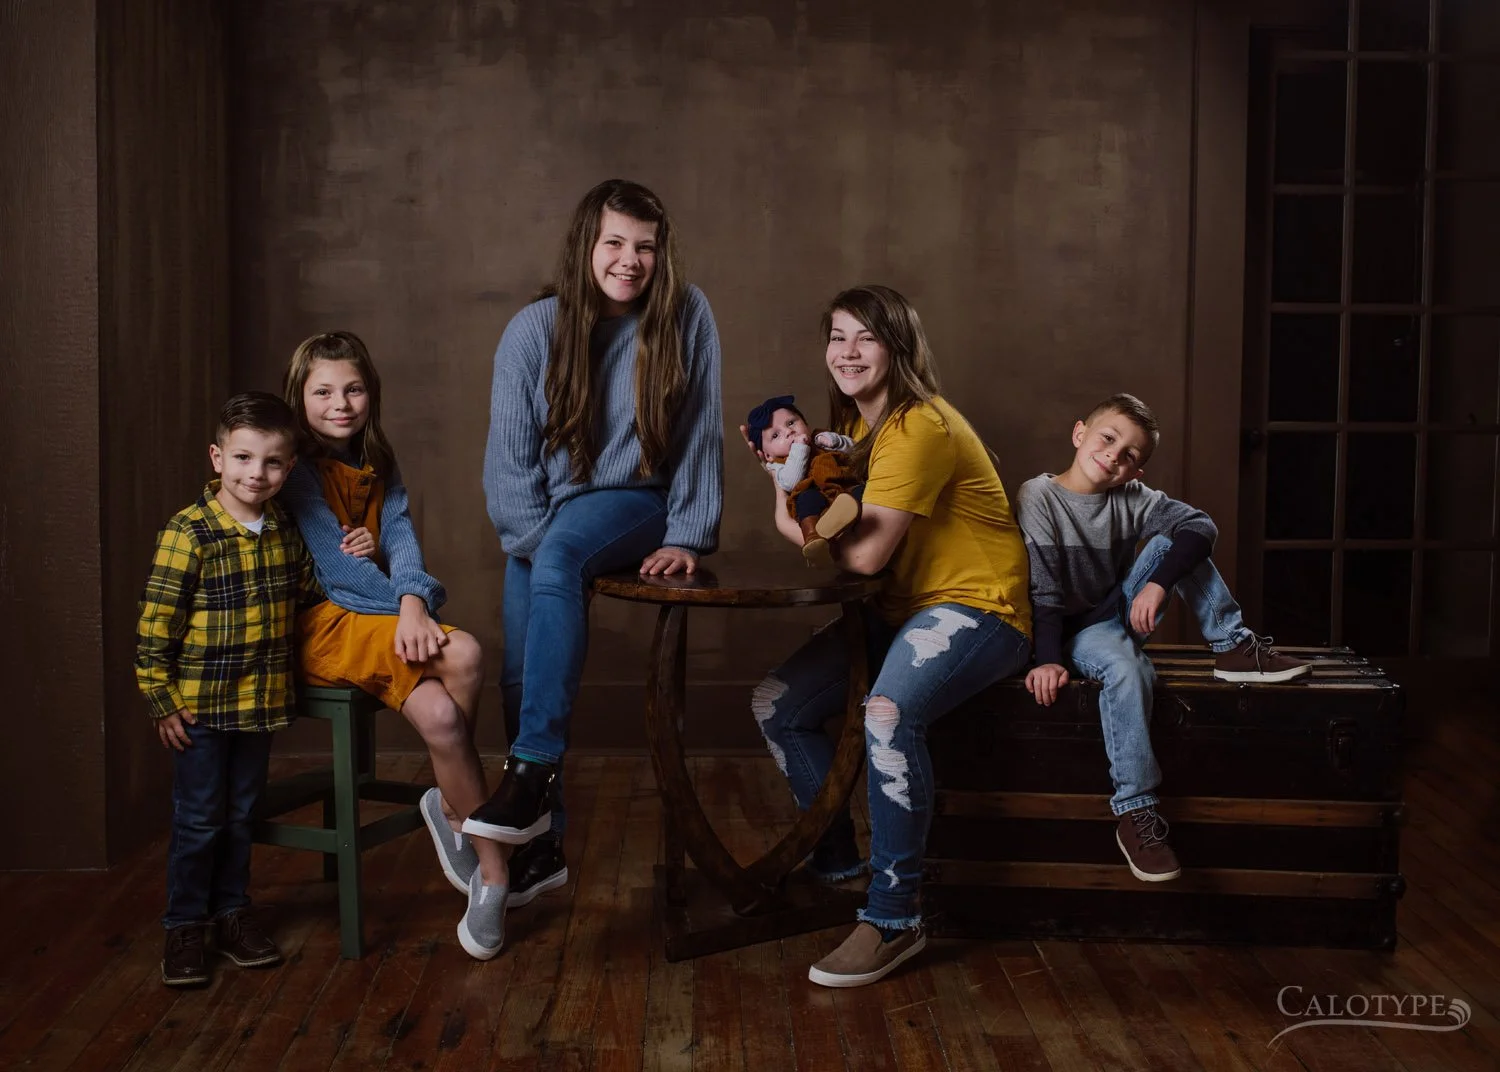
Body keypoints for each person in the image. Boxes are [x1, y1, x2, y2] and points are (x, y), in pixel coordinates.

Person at [743, 285, 1032, 988]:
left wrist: (788, 504)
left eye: (865, 337)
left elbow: (861, 556)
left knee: (887, 711)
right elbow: (828, 536)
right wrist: (791, 491)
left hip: (978, 607)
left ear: (898, 347)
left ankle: (895, 918)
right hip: (905, 608)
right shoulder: (861, 435)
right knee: (778, 703)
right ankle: (839, 860)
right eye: (836, 336)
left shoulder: (918, 426)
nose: (846, 351)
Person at [469, 179, 723, 905]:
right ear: (586, 244)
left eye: (645, 246)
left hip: (636, 500)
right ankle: (543, 846)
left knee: (555, 565)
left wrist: (689, 532)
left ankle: (531, 771)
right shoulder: (531, 330)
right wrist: (540, 545)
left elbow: (703, 429)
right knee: (521, 668)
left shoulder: (686, 315)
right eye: (614, 242)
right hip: (551, 520)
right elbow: (508, 462)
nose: (630, 259)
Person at [1014, 392, 1311, 884]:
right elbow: (1043, 590)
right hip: (1070, 633)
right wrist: (1046, 660)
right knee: (1129, 670)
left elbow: (1202, 526)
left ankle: (1232, 644)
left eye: (1130, 455)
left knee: (1180, 539)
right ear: (1079, 433)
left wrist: (1156, 581)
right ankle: (1135, 812)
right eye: (1108, 439)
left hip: (1116, 615)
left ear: (1137, 473)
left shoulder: (1132, 499)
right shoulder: (1038, 497)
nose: (1113, 455)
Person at [279, 331, 507, 960]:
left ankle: (469, 832)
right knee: (461, 655)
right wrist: (407, 606)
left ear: (371, 394)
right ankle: (488, 859)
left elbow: (401, 538)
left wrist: (413, 599)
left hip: (378, 611)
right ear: (299, 398)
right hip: (325, 622)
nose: (340, 404)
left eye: (353, 389)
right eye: (322, 391)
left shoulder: (378, 459)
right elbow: (338, 570)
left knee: (443, 706)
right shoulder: (295, 469)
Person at [137, 392, 325, 988]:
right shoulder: (188, 532)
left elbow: (310, 591)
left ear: (288, 467)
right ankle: (185, 924)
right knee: (198, 819)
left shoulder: (285, 531)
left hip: (260, 704)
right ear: (218, 458)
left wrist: (359, 551)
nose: (256, 474)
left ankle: (232, 912)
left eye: (272, 463)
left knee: (241, 815)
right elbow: (154, 625)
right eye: (244, 458)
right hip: (200, 708)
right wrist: (162, 700)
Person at [744, 394, 860, 565]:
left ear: (805, 423)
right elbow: (791, 481)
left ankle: (839, 520)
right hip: (816, 499)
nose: (789, 431)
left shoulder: (820, 439)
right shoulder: (777, 466)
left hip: (844, 490)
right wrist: (799, 448)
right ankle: (813, 536)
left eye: (791, 423)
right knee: (806, 499)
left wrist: (837, 442)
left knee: (862, 491)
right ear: (767, 455)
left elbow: (857, 452)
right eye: (776, 435)